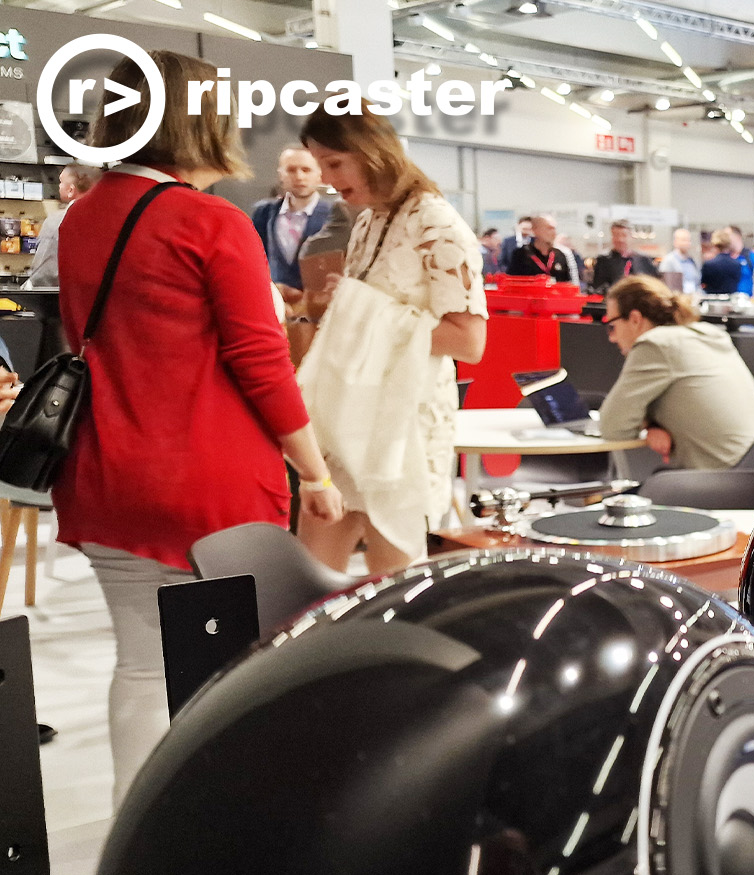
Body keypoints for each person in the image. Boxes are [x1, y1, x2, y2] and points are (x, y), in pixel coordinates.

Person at [54, 49, 344, 805]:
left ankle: (133, 841)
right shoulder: (211, 220)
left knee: (143, 665)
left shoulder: (82, 216)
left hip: (102, 473)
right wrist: (314, 472)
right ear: (200, 123)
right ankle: (210, 852)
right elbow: (260, 360)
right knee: (232, 678)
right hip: (202, 488)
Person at [298, 107, 486, 574]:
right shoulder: (366, 221)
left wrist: (365, 311)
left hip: (401, 427)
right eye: (318, 164)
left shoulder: (436, 224)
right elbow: (366, 314)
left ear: (373, 152)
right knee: (306, 582)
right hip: (346, 418)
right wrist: (335, 305)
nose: (325, 178)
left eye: (335, 163)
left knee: (393, 583)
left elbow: (469, 342)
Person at [599, 274, 754, 469]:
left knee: (630, 495)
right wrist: (652, 426)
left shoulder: (656, 344)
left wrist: (647, 426)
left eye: (612, 326)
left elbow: (611, 426)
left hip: (721, 482)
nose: (612, 338)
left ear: (635, 319)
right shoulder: (709, 334)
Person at [248, 145, 333, 304]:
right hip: (274, 306)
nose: (299, 177)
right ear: (281, 174)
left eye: (306, 170)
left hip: (318, 309)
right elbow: (254, 261)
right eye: (291, 170)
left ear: (319, 174)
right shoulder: (264, 213)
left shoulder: (336, 216)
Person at [25, 163, 99, 288]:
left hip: (61, 296)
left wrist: (27, 288)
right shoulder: (107, 218)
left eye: (61, 182)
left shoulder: (57, 221)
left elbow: (44, 272)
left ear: (70, 190)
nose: (58, 186)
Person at [506, 213, 583, 289]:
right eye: (549, 228)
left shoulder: (561, 255)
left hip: (555, 299)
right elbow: (512, 283)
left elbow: (570, 284)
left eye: (554, 228)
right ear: (535, 230)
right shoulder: (521, 254)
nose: (554, 233)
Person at [588, 219, 659, 294]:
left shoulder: (644, 260)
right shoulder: (604, 261)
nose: (620, 239)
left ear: (631, 236)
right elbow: (598, 287)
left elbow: (653, 285)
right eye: (616, 235)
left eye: (624, 235)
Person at [700, 226, 749, 295]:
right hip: (731, 300)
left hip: (713, 300)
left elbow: (704, 283)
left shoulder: (708, 265)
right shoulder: (737, 264)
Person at [657, 227, 701, 293]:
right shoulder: (669, 260)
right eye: (684, 240)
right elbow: (665, 283)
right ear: (675, 242)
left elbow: (697, 281)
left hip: (692, 296)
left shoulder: (692, 261)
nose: (687, 243)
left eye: (689, 240)